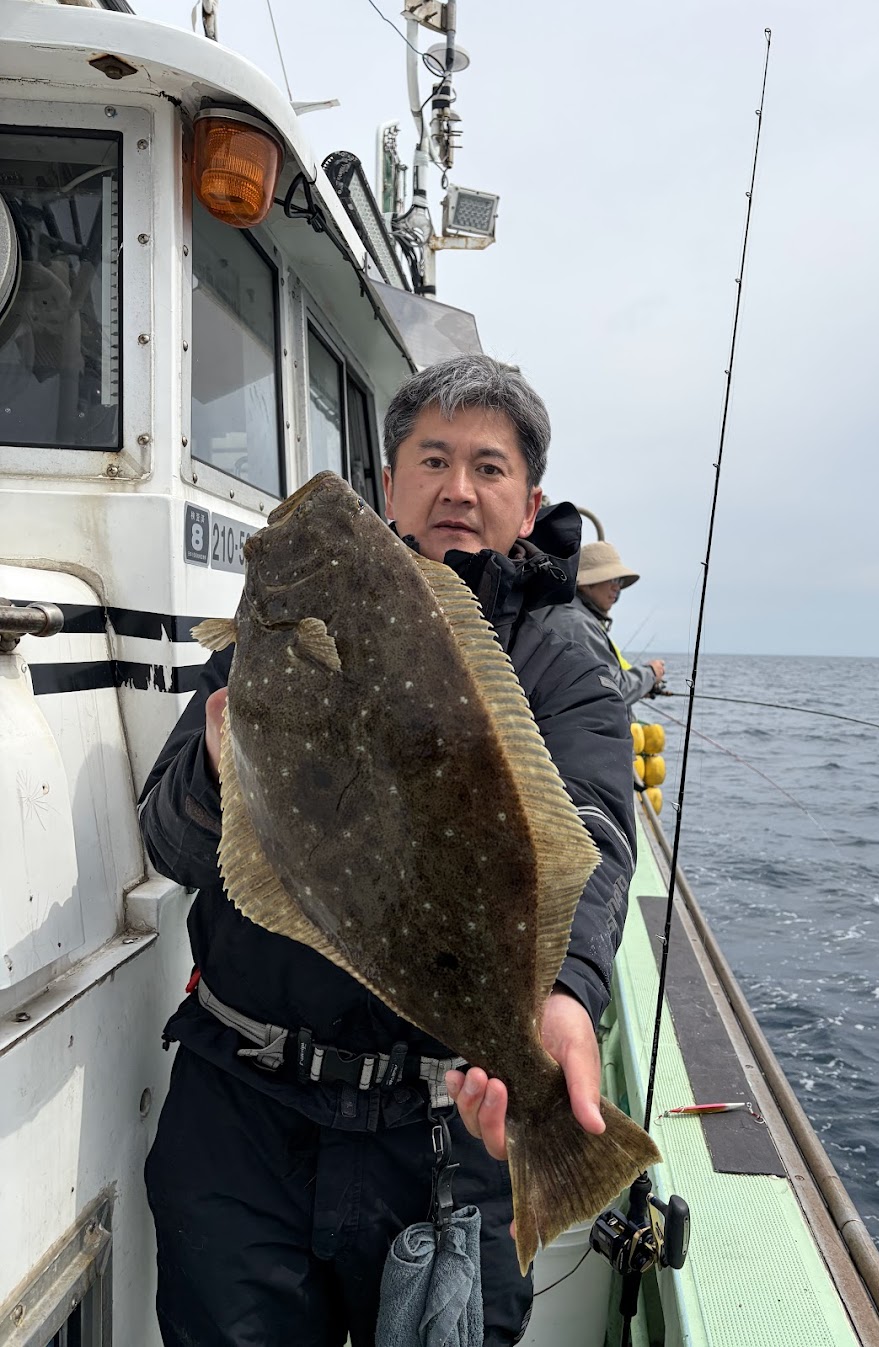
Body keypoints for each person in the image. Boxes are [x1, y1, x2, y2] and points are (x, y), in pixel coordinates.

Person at [139, 354, 637, 1347]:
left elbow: (589, 829)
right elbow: (171, 840)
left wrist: (564, 991)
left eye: (489, 467)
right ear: (389, 482)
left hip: (447, 1135)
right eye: (434, 459)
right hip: (245, 1111)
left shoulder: (560, 654)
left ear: (528, 496)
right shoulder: (277, 637)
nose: (459, 488)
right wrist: (216, 762)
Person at [536, 537, 665, 712]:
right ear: (586, 584)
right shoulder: (577, 624)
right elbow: (614, 689)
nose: (617, 588)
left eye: (619, 582)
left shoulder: (565, 613)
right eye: (611, 579)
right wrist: (651, 673)